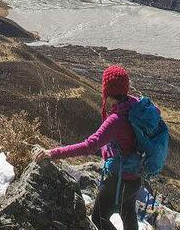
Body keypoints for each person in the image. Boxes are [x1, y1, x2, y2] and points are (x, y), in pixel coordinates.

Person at [34, 65, 142, 230]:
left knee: (98, 217)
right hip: (135, 176)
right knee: (128, 215)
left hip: (118, 180)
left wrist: (53, 153)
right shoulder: (134, 105)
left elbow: (89, 146)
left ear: (106, 90)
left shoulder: (116, 120)